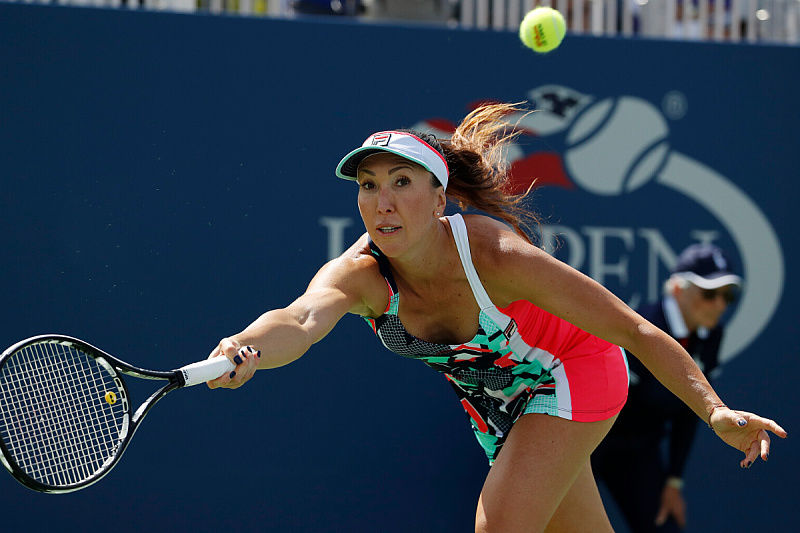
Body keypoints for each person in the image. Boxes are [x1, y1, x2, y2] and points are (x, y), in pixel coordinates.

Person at [206, 103, 786, 533]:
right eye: (368, 185)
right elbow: (300, 320)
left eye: (401, 183)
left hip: (576, 370)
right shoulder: (358, 274)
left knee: (499, 528)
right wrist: (243, 344)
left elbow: (632, 329)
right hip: (501, 406)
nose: (381, 201)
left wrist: (713, 410)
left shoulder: (494, 255)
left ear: (439, 200)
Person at [592, 243, 744, 532]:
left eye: (728, 295)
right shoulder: (641, 328)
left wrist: (673, 480)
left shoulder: (712, 335)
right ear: (677, 289)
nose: (720, 304)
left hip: (640, 451)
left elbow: (690, 410)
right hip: (590, 440)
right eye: (710, 293)